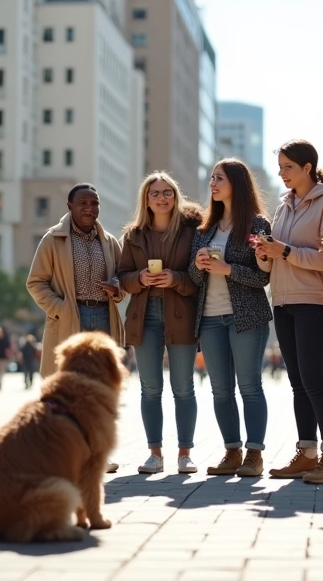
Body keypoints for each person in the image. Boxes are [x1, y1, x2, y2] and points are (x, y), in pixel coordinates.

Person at [250, 140, 323, 485]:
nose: (281, 173)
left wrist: (285, 251)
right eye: (279, 167)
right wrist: (264, 252)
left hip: (313, 300)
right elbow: (276, 256)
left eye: (287, 167)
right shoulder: (283, 207)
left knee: (314, 380)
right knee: (297, 383)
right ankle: (307, 453)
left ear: (307, 168)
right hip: (283, 300)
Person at [27, 183, 125, 471]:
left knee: (101, 390)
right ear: (69, 207)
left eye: (94, 203)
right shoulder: (52, 240)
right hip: (70, 319)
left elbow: (122, 279)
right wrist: (59, 309)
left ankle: (97, 454)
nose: (89, 208)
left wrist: (117, 289)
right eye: (83, 203)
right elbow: (35, 283)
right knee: (66, 389)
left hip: (103, 319)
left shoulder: (109, 242)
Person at [188, 159, 273, 478]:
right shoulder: (204, 229)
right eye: (211, 177)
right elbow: (195, 279)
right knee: (220, 389)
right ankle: (232, 451)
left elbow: (262, 278)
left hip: (247, 317)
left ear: (236, 184)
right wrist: (198, 264)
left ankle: (255, 454)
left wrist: (229, 270)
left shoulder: (257, 224)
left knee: (250, 385)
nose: (212, 183)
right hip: (209, 318)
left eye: (219, 178)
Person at [117, 172, 203, 475]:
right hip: (144, 317)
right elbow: (122, 277)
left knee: (183, 388)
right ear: (146, 199)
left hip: (180, 314)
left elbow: (199, 278)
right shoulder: (133, 234)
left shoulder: (192, 232)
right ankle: (155, 453)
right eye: (155, 193)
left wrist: (176, 279)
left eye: (168, 192)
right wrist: (139, 278)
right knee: (150, 388)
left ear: (176, 196)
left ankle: (184, 454)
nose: (162, 197)